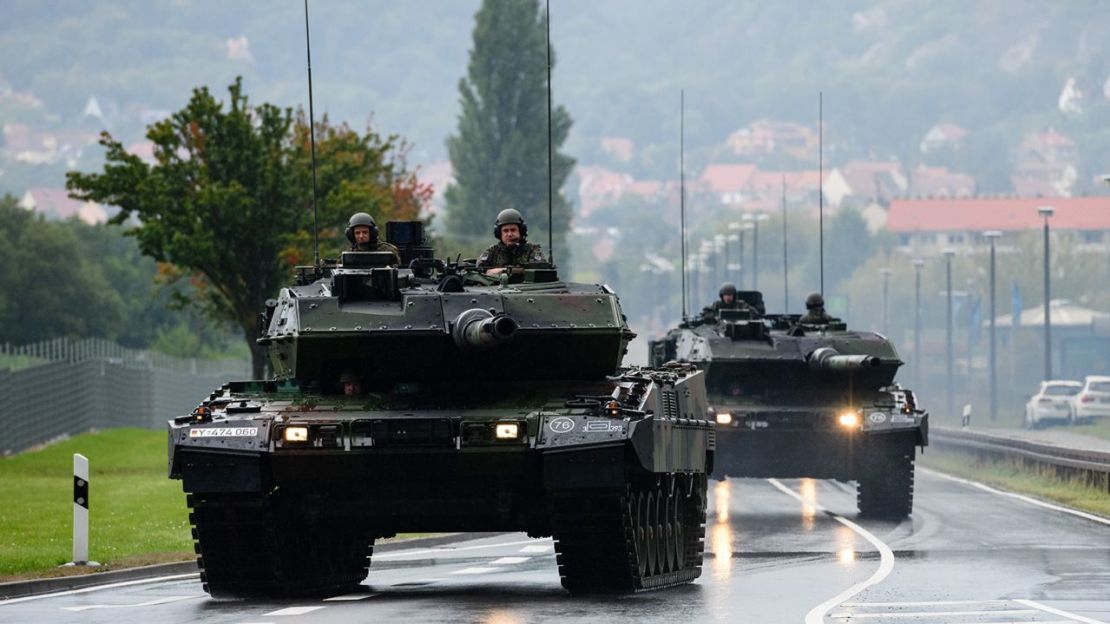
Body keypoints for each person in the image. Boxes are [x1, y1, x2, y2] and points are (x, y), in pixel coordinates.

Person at [476, 208, 546, 274]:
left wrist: (505, 270)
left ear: (521, 231)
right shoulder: (493, 251)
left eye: (513, 230)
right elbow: (478, 268)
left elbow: (540, 269)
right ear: (499, 233)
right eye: (505, 231)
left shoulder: (532, 250)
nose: (509, 234)